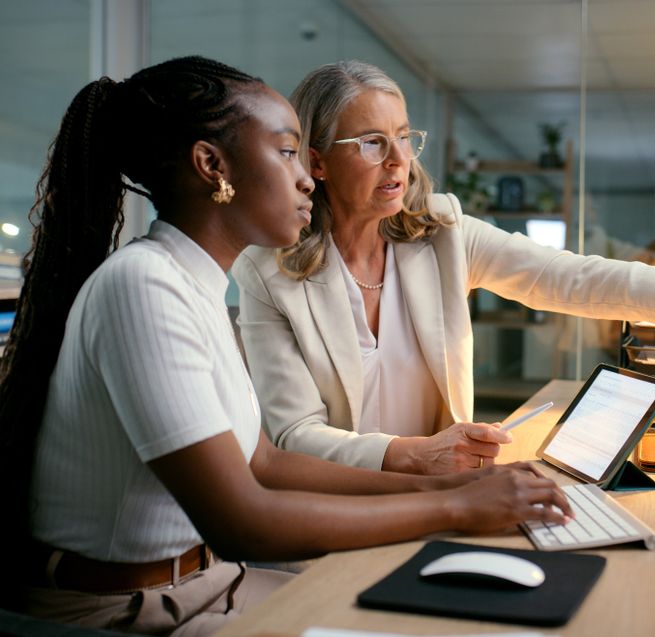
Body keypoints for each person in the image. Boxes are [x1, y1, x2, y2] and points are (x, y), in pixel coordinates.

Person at [0, 56, 571, 636]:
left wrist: (451, 483)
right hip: (128, 610)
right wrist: (456, 508)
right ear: (212, 166)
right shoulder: (142, 286)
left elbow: (264, 462)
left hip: (211, 584)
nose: (307, 178)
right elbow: (241, 522)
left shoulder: (191, 285)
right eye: (286, 151)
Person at [232, 60, 655, 476]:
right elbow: (294, 437)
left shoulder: (441, 234)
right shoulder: (268, 274)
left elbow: (569, 276)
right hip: (341, 511)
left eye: (406, 138)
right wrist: (418, 454)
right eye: (370, 143)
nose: (398, 161)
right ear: (317, 161)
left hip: (442, 496)